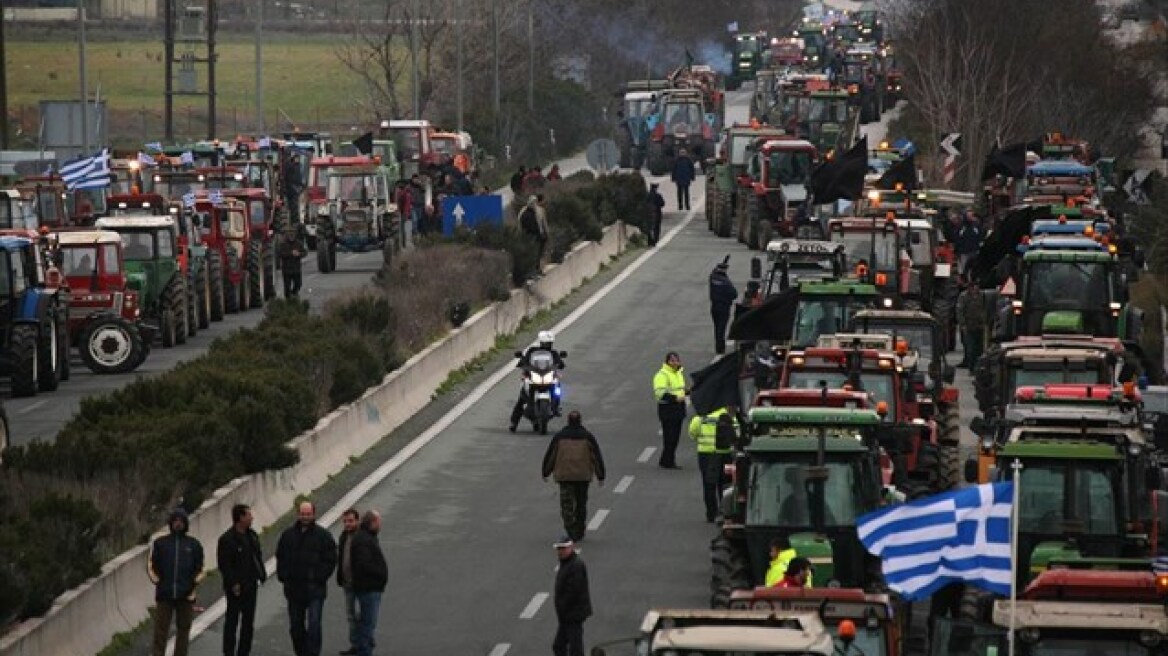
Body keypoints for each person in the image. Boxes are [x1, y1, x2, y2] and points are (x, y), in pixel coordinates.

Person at [276, 501, 337, 656]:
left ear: (313, 514)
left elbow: (330, 559)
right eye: (303, 514)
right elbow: (280, 556)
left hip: (315, 589)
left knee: (314, 624)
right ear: (298, 514)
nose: (305, 517)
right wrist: (284, 576)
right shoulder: (287, 535)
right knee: (296, 627)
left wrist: (319, 577)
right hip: (294, 590)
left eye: (308, 514)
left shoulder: (323, 536)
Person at [542, 410, 607, 541]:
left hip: (565, 476)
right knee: (581, 503)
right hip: (583, 476)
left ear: (568, 421)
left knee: (567, 505)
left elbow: (551, 455)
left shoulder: (560, 436)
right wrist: (601, 475)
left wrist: (545, 472)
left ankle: (571, 530)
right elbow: (596, 456)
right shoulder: (587, 436)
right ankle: (580, 529)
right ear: (580, 421)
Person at [148, 507, 205, 656]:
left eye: (181, 521)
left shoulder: (194, 545)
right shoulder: (160, 544)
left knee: (184, 630)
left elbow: (200, 568)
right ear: (171, 523)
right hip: (164, 595)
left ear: (185, 523)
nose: (178, 524)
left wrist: (191, 585)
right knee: (160, 631)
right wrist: (160, 583)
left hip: (186, 595)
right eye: (175, 520)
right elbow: (151, 566)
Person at [217, 503, 266, 656]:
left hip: (251, 585)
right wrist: (233, 583)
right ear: (240, 518)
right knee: (232, 621)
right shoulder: (227, 539)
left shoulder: (252, 536)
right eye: (248, 515)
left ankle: (244, 652)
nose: (252, 518)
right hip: (235, 589)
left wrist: (261, 574)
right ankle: (229, 652)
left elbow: (257, 557)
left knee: (248, 623)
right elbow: (224, 564)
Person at [350, 511, 388, 656]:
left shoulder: (365, 537)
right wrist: (380, 574)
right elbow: (365, 564)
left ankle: (364, 648)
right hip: (369, 588)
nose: (380, 525)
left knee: (365, 622)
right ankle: (364, 651)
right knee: (368, 623)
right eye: (379, 522)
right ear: (372, 522)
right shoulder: (363, 540)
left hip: (369, 587)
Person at [510, 330, 565, 431]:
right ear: (541, 342)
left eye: (549, 343)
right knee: (521, 399)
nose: (547, 345)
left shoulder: (553, 353)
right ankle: (514, 422)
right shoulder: (532, 351)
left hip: (548, 376)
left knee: (558, 387)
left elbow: (559, 362)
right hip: (533, 376)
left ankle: (556, 406)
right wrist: (522, 362)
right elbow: (525, 360)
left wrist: (560, 364)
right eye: (545, 343)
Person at [688, 406, 736, 522]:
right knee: (725, 484)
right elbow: (735, 434)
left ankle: (711, 513)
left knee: (709, 485)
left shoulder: (701, 417)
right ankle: (725, 512)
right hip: (725, 455)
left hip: (706, 454)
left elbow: (692, 434)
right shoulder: (729, 416)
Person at [552, 536, 592, 656]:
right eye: (559, 549)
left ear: (571, 547)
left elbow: (575, 590)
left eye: (564, 548)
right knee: (559, 646)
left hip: (573, 614)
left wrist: (563, 606)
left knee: (574, 649)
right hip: (566, 615)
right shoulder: (567, 563)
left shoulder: (575, 565)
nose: (561, 551)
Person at [652, 351, 688, 469]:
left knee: (675, 437)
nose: (675, 362)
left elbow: (679, 389)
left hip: (678, 409)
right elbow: (660, 393)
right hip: (668, 409)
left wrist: (687, 392)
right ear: (667, 362)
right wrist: (676, 398)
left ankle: (666, 459)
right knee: (670, 437)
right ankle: (668, 461)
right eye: (672, 360)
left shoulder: (678, 373)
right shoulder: (662, 375)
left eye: (677, 360)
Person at [336, 508, 362, 656]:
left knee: (362, 615)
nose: (347, 524)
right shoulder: (343, 537)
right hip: (347, 583)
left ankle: (363, 644)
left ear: (357, 521)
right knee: (351, 615)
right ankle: (355, 645)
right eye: (345, 521)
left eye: (351, 521)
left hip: (361, 584)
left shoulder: (363, 537)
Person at [708, 258, 738, 354]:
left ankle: (718, 346)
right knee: (722, 327)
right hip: (724, 307)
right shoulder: (726, 282)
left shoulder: (712, 278)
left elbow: (714, 272)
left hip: (714, 306)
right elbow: (734, 294)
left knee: (717, 327)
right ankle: (720, 347)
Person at [956, 276, 986, 369]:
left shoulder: (982, 296)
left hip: (979, 326)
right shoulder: (964, 296)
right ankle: (971, 367)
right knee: (970, 348)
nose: (974, 289)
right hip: (968, 326)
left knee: (979, 349)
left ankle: (978, 367)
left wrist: (985, 322)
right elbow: (960, 311)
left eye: (976, 286)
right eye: (972, 287)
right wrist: (963, 324)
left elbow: (985, 309)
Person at [278, 227, 305, 299]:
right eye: (290, 234)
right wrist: (290, 253)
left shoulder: (299, 243)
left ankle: (294, 294)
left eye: (293, 234)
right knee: (287, 287)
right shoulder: (283, 244)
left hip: (296, 269)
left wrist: (299, 254)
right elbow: (280, 254)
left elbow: (305, 252)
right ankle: (288, 300)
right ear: (287, 235)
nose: (291, 236)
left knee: (298, 284)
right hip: (287, 269)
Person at [955, 210, 982, 274]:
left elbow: (980, 237)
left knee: (972, 267)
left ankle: (971, 280)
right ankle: (963, 279)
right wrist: (958, 249)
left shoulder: (976, 227)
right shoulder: (961, 227)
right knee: (964, 267)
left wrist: (978, 248)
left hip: (974, 251)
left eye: (971, 215)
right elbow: (957, 238)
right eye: (969, 215)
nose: (970, 217)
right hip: (964, 251)